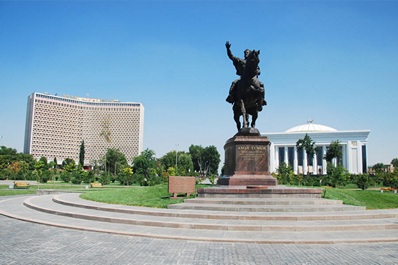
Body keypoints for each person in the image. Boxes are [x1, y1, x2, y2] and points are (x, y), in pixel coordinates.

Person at [225, 41, 266, 110]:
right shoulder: (240, 61)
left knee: (261, 85)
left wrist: (257, 72)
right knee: (234, 82)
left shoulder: (253, 63)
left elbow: (258, 70)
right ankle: (231, 97)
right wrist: (228, 49)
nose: (246, 54)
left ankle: (261, 101)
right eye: (245, 53)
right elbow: (231, 57)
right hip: (243, 78)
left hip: (253, 78)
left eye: (247, 53)